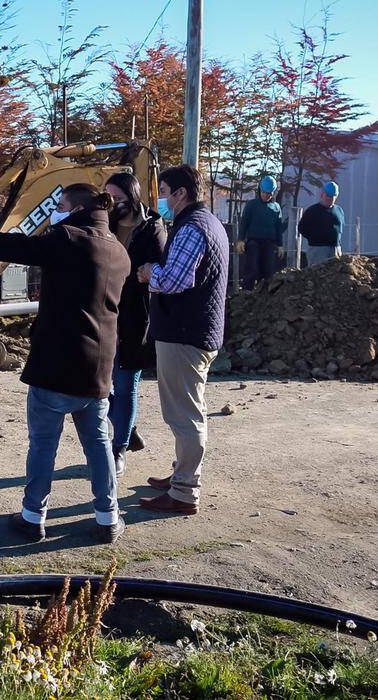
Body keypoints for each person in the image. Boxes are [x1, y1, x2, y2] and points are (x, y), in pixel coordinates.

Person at [0, 184, 131, 544]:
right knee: (98, 444)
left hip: (55, 364)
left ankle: (33, 517)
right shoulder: (119, 252)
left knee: (43, 445)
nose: (54, 211)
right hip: (98, 369)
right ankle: (108, 518)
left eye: (59, 204)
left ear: (75, 207)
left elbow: (11, 247)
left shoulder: (67, 238)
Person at [136, 164, 228, 516]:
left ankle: (185, 491)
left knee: (184, 415)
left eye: (164, 190)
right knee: (191, 409)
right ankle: (181, 474)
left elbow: (175, 280)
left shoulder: (192, 228)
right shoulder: (211, 224)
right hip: (197, 331)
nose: (161, 197)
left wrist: (148, 273)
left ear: (181, 193)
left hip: (184, 333)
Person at [104, 172, 167, 476]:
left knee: (126, 382)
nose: (113, 204)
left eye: (118, 199)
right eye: (108, 198)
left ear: (133, 196)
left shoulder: (152, 228)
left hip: (134, 316)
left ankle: (119, 448)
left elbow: (150, 271)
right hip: (104, 312)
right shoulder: (105, 224)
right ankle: (127, 426)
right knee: (98, 385)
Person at [237, 175, 285, 290]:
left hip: (269, 243)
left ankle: (263, 296)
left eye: (269, 193)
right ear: (260, 190)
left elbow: (278, 227)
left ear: (273, 193)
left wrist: (280, 245)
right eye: (264, 192)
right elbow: (244, 223)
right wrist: (241, 239)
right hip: (254, 241)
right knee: (252, 269)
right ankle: (246, 294)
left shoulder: (276, 207)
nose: (266, 195)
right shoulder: (252, 205)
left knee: (267, 271)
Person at [299, 181, 345, 266]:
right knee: (317, 275)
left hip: (335, 249)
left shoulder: (339, 211)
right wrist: (316, 238)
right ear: (322, 194)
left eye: (332, 196)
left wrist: (338, 244)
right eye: (327, 195)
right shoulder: (312, 211)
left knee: (335, 275)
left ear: (336, 197)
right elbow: (302, 228)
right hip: (318, 249)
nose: (329, 198)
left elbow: (341, 228)